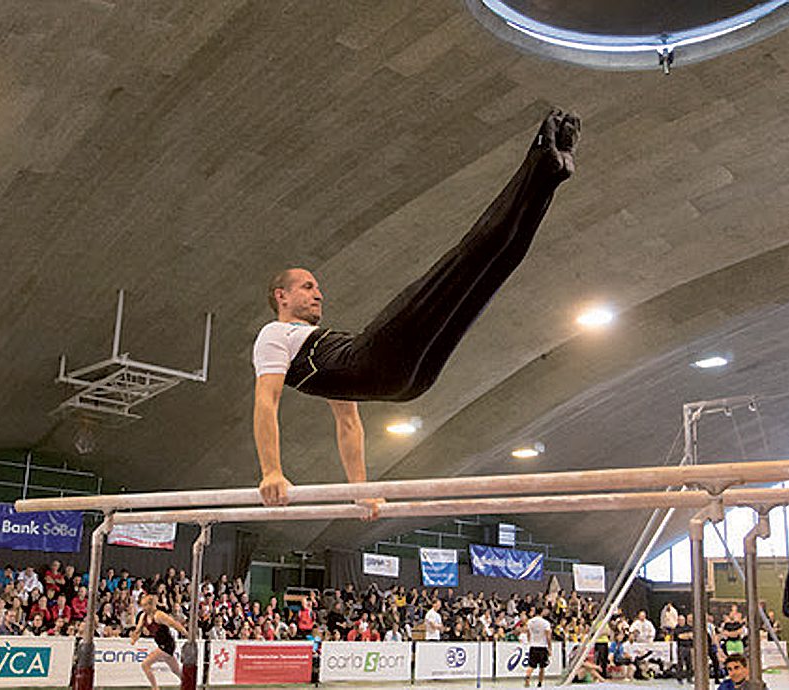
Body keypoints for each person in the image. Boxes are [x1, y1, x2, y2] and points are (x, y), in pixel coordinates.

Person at [252, 111, 581, 507]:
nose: (319, 293)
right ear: (281, 297)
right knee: (467, 260)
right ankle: (539, 158)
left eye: (318, 287)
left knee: (493, 269)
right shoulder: (273, 336)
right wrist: (271, 470)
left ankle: (551, 174)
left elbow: (348, 422)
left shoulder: (316, 345)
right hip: (381, 362)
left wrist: (360, 492)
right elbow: (266, 403)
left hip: (406, 379)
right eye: (307, 287)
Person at [133, 594, 189, 690]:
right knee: (176, 670)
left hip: (167, 645)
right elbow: (138, 629)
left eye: (145, 606)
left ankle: (155, 688)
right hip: (161, 644)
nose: (143, 608)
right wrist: (134, 638)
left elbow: (174, 624)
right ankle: (189, 685)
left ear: (151, 605)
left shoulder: (159, 615)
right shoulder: (143, 616)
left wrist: (186, 633)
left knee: (145, 665)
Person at [525, 606, 552, 688]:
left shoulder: (530, 622)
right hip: (542, 646)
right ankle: (540, 683)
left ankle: (528, 677)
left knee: (531, 665)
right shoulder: (545, 623)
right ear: (542, 612)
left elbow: (528, 633)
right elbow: (548, 636)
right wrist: (550, 647)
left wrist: (530, 641)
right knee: (542, 667)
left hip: (533, 646)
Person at [673, 614, 694, 683]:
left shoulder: (688, 627)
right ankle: (680, 678)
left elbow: (692, 635)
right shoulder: (676, 628)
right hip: (681, 647)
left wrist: (686, 635)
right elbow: (680, 636)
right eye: (680, 620)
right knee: (680, 663)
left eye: (682, 620)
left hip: (688, 647)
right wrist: (687, 635)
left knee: (689, 663)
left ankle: (689, 678)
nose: (681, 621)